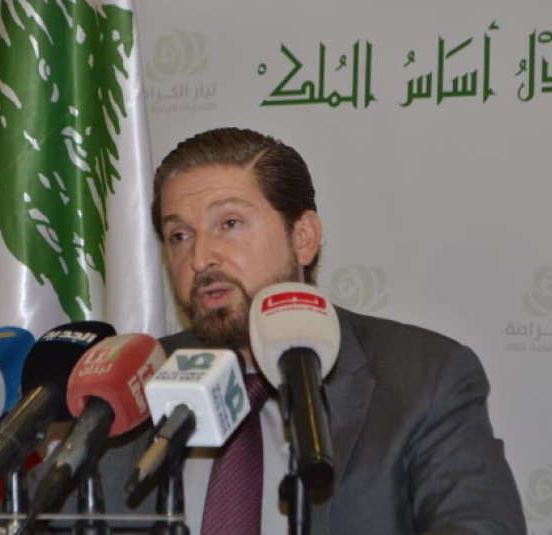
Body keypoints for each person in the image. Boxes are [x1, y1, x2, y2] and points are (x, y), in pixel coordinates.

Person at [63, 127, 527, 534]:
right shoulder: (130, 383)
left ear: (303, 237)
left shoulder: (424, 378)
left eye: (230, 223)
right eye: (179, 236)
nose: (200, 258)